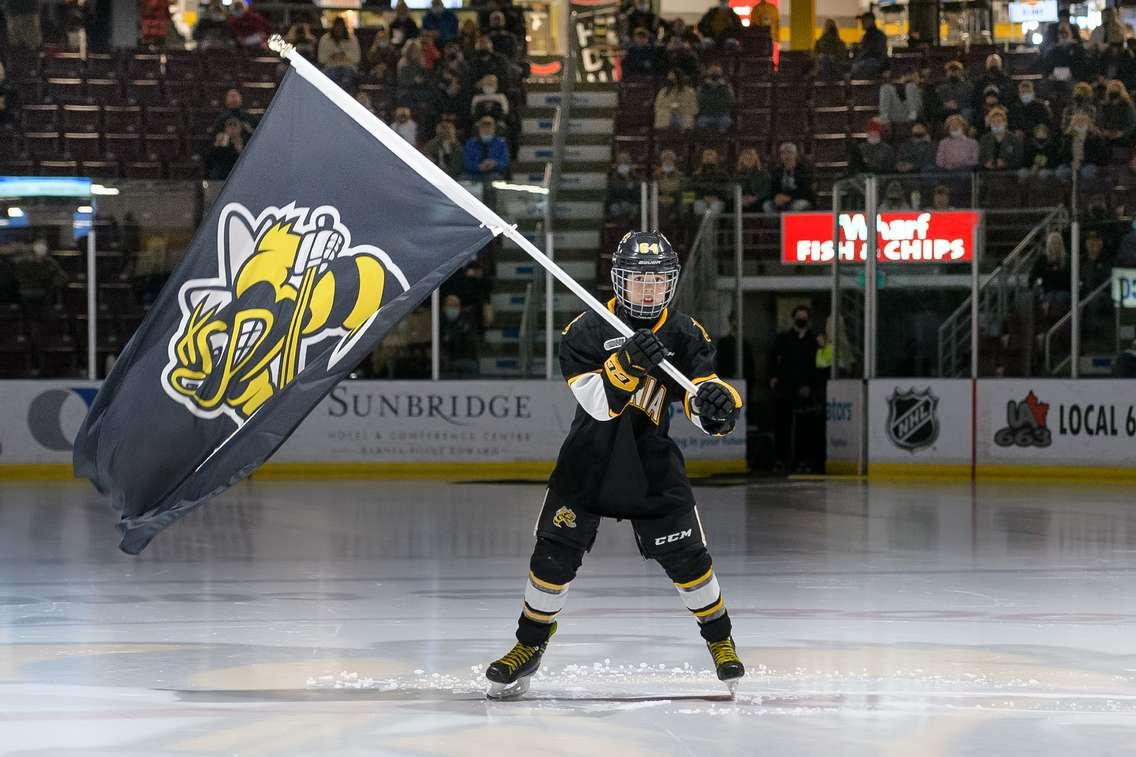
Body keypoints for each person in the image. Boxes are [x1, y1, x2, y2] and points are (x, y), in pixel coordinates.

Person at [483, 230, 745, 699]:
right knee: (552, 558)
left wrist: (719, 405)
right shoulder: (585, 331)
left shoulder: (686, 333)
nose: (649, 289)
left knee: (689, 561)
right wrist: (625, 363)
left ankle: (721, 641)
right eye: (639, 279)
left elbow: (700, 395)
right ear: (619, 281)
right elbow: (598, 403)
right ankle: (528, 645)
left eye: (658, 279)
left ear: (671, 283)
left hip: (652, 466)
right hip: (588, 462)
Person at [769, 303, 820, 472]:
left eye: (804, 318)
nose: (801, 320)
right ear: (794, 319)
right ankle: (780, 459)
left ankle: (803, 460)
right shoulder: (784, 338)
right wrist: (774, 377)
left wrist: (811, 386)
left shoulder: (813, 341)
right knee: (782, 425)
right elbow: (773, 359)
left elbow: (817, 366)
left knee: (805, 428)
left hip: (804, 389)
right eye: (799, 317)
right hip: (785, 387)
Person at [13, 238, 67, 307]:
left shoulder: (22, 261)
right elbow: (61, 276)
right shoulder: (50, 262)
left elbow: (17, 277)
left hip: (27, 291)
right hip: (42, 291)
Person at [764, 143, 815, 212]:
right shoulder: (777, 171)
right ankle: (776, 223)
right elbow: (771, 189)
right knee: (767, 205)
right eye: (783, 153)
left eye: (789, 152)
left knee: (798, 206)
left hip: (798, 199)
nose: (786, 156)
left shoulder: (803, 170)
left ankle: (790, 222)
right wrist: (776, 197)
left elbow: (806, 191)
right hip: (781, 201)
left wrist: (789, 198)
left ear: (795, 155)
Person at [1057, 112, 1108, 182]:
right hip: (1070, 163)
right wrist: (1071, 161)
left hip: (1088, 163)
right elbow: (1062, 153)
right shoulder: (1068, 137)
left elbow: (1100, 154)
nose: (1080, 123)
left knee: (1087, 172)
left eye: (1083, 121)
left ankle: (1086, 191)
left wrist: (1081, 162)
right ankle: (1066, 190)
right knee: (1061, 172)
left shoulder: (1094, 137)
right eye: (1077, 121)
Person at [440, 294, 480, 376]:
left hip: (463, 358)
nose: (453, 309)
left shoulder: (467, 322)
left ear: (460, 308)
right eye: (450, 306)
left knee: (470, 366)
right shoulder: (438, 322)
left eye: (456, 306)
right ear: (444, 308)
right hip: (443, 362)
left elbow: (469, 345)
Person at [318, 17, 362, 92]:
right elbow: (321, 59)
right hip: (331, 67)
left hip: (348, 67)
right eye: (337, 27)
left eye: (341, 27)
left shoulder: (352, 39)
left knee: (347, 78)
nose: (339, 30)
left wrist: (345, 55)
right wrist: (332, 56)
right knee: (325, 77)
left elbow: (357, 58)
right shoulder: (325, 39)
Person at [464, 116, 509, 181]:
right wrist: (478, 167)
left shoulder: (501, 144)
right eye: (483, 127)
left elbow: (505, 162)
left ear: (494, 129)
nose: (486, 129)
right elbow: (467, 162)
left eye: (489, 127)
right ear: (479, 129)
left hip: (494, 174)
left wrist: (495, 164)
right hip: (473, 174)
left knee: (496, 178)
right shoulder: (470, 143)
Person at [978, 107, 1023, 171]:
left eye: (999, 121)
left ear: (1005, 123)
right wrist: (985, 163)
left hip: (1009, 173)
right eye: (993, 122)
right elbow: (980, 158)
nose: (996, 124)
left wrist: (1006, 164)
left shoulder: (1014, 139)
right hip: (989, 173)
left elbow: (1019, 159)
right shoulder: (984, 139)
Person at [689, 148, 731, 214]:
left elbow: (727, 189)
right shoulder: (696, 175)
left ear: (716, 159)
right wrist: (703, 198)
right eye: (706, 158)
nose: (709, 160)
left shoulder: (723, 174)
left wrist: (716, 197)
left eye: (711, 158)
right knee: (699, 208)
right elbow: (690, 191)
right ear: (703, 159)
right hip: (700, 200)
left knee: (713, 209)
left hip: (717, 200)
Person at [1096, 79, 1136, 148]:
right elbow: (1099, 121)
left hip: (1123, 138)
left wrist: (1121, 133)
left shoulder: (1127, 106)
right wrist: (1104, 131)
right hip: (1106, 138)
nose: (1113, 93)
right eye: (1111, 91)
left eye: (1115, 91)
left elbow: (1132, 124)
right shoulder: (1104, 106)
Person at [696, 64, 734, 133]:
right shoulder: (703, 87)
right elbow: (699, 102)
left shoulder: (725, 87)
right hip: (706, 115)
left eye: (717, 76)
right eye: (712, 76)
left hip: (722, 115)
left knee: (726, 121)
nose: (714, 79)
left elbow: (730, 102)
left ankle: (721, 139)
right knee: (701, 122)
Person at [850, 12, 888, 79]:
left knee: (858, 67)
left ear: (870, 21)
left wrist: (859, 49)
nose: (862, 23)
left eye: (863, 21)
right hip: (868, 63)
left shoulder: (878, 35)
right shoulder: (866, 36)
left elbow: (874, 53)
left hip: (874, 64)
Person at [606, 150, 642, 221]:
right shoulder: (611, 176)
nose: (622, 163)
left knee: (634, 209)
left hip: (631, 204)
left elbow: (638, 195)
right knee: (615, 208)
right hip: (617, 203)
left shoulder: (635, 178)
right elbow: (611, 194)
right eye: (620, 161)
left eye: (625, 161)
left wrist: (628, 179)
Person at [937, 61, 974, 125]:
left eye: (955, 70)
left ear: (961, 72)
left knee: (967, 112)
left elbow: (970, 101)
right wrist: (946, 104)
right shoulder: (942, 87)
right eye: (950, 70)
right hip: (946, 109)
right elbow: (938, 100)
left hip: (961, 109)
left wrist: (958, 105)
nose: (953, 73)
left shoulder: (968, 86)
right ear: (947, 72)